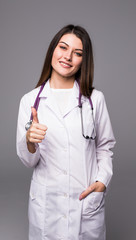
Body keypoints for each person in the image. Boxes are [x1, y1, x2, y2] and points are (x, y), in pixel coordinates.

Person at [16, 24, 116, 240]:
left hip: (84, 202)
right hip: (47, 205)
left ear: (83, 61)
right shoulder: (29, 101)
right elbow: (28, 161)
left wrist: (102, 181)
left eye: (77, 53)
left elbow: (105, 147)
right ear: (53, 50)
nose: (68, 57)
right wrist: (30, 142)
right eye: (63, 47)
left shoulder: (94, 100)